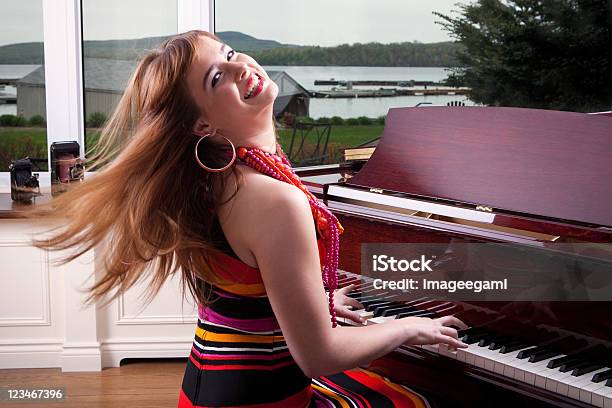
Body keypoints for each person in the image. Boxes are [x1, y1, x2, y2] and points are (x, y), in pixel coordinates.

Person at [23, 30, 468, 407]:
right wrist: (408, 326)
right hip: (262, 397)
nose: (240, 69)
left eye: (229, 55)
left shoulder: (212, 181)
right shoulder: (271, 199)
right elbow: (319, 355)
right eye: (217, 77)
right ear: (201, 125)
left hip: (210, 386)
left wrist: (314, 305)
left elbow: (241, 295)